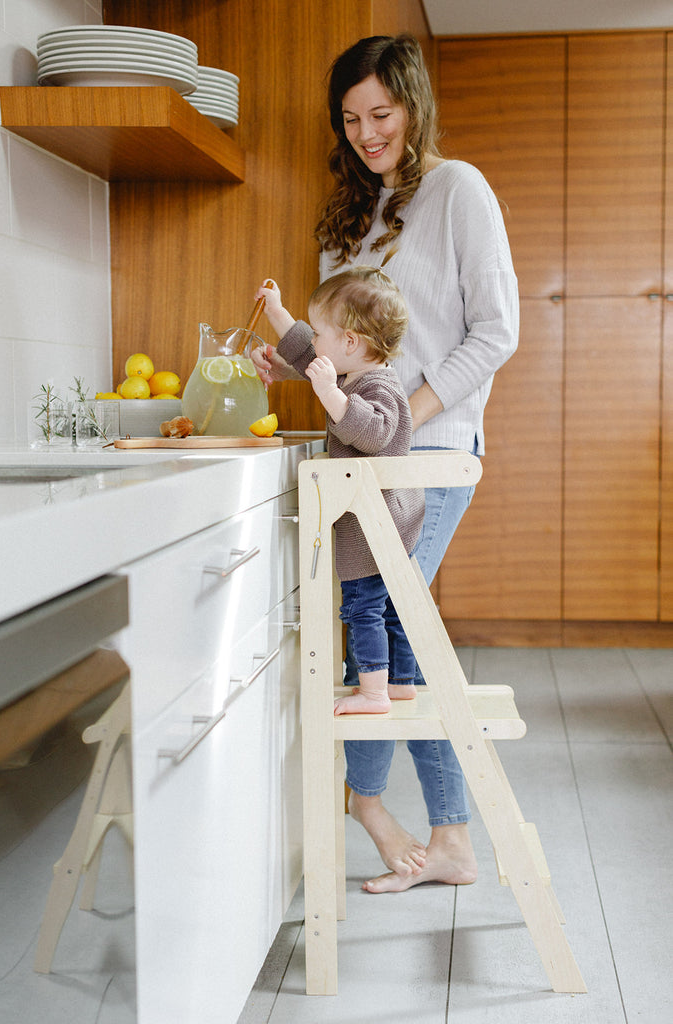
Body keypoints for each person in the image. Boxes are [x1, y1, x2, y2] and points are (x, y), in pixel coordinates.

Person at [254, 34, 519, 893]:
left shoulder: (457, 190)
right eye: (351, 119)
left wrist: (407, 418)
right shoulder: (347, 216)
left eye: (382, 114)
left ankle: (384, 811)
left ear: (413, 106)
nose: (367, 134)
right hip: (367, 457)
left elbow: (495, 332)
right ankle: (437, 835)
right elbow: (352, 348)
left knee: (391, 631)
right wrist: (292, 364)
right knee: (392, 634)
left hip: (432, 453)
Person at [257, 266, 426, 716]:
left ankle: (373, 692)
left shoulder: (377, 385)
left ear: (349, 343)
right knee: (390, 606)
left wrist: (331, 393)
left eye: (319, 333)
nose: (312, 342)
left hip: (376, 523)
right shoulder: (354, 373)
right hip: (381, 520)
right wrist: (277, 312)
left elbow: (372, 433)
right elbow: (303, 357)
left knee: (363, 608)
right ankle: (402, 683)